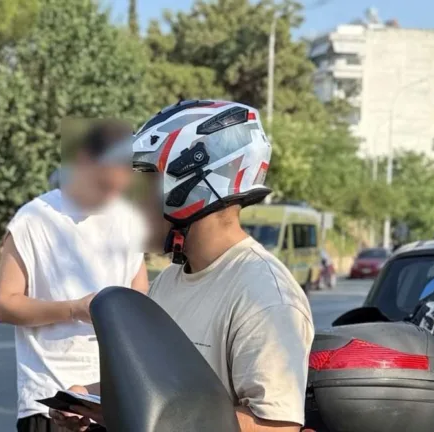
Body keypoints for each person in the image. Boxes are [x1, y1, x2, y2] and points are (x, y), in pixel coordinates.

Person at [51, 100, 315, 432]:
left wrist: (168, 421)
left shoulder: (265, 295)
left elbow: (276, 426)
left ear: (191, 188)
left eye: (146, 184)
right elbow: (158, 389)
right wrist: (89, 398)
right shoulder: (171, 280)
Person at [0, 119, 150, 432]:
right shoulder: (34, 219)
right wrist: (73, 309)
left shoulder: (128, 222)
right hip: (50, 399)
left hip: (112, 399)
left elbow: (138, 299)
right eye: (105, 184)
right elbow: (3, 305)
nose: (113, 194)